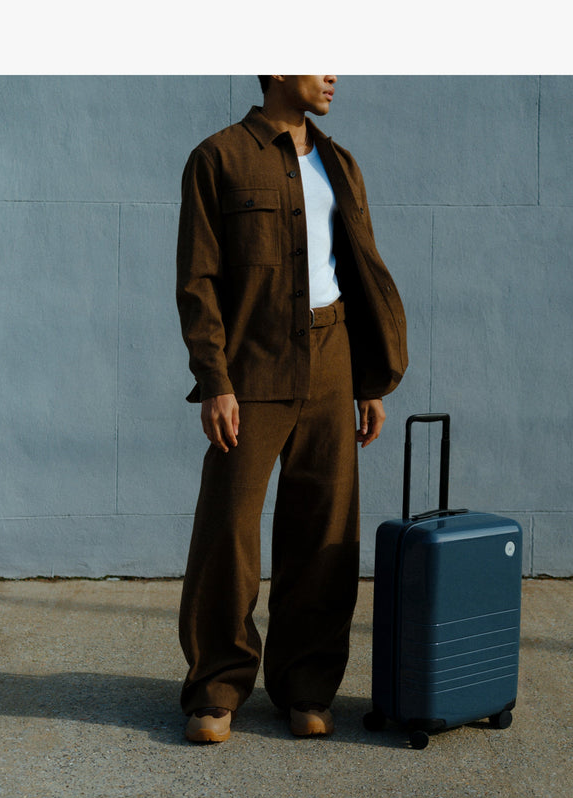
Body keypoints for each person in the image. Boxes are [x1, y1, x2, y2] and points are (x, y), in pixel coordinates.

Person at [175, 75, 408, 743]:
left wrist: (369, 379)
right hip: (253, 366)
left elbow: (359, 271)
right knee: (228, 530)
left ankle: (306, 686)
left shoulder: (341, 163)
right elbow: (197, 281)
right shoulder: (218, 158)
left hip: (334, 357)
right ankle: (217, 688)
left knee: (324, 532)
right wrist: (215, 379)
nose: (334, 72)